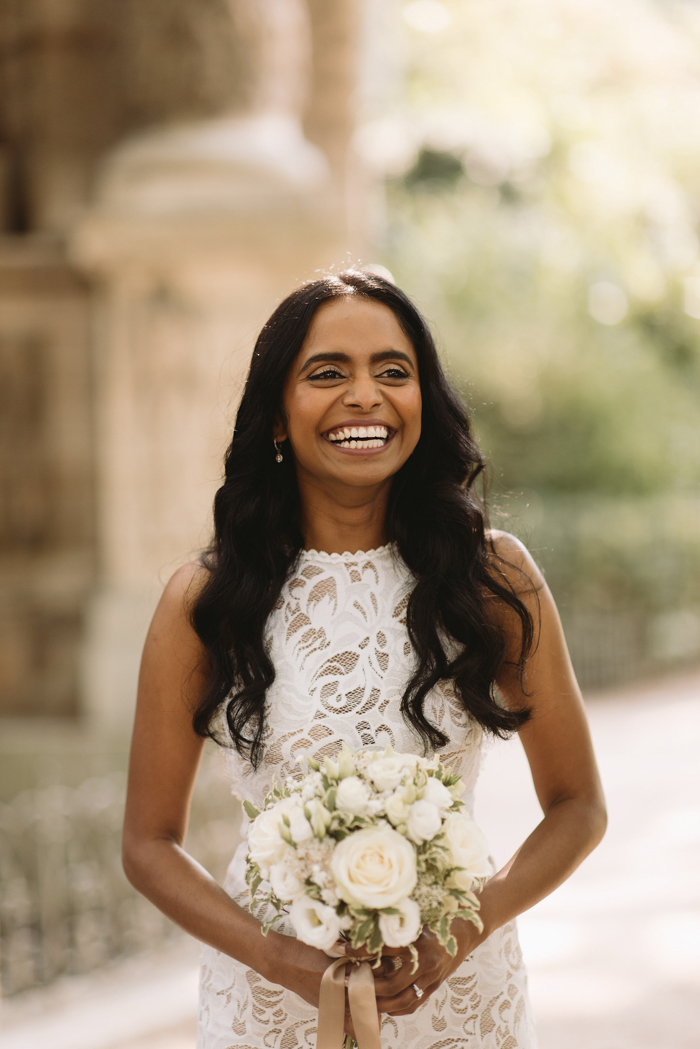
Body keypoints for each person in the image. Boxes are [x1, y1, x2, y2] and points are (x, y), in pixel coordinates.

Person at [123, 270, 606, 1049]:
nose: (365, 395)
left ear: (423, 402)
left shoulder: (492, 577)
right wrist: (279, 959)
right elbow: (147, 844)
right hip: (270, 1001)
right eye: (327, 373)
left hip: (457, 994)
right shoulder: (206, 599)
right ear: (277, 417)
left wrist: (461, 934)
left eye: (393, 371)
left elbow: (580, 805)